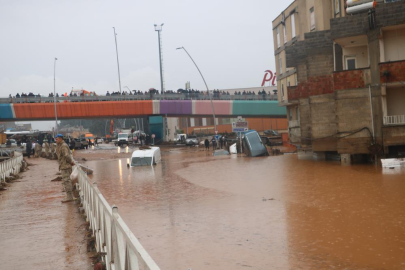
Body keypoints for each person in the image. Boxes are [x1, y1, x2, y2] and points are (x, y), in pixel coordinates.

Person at [55, 134, 75, 203]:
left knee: (66, 181)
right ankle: (70, 196)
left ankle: (69, 197)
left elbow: (67, 156)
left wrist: (71, 162)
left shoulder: (63, 146)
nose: (55, 140)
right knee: (66, 181)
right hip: (63, 166)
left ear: (60, 139)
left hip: (66, 166)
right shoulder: (59, 145)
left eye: (57, 139)